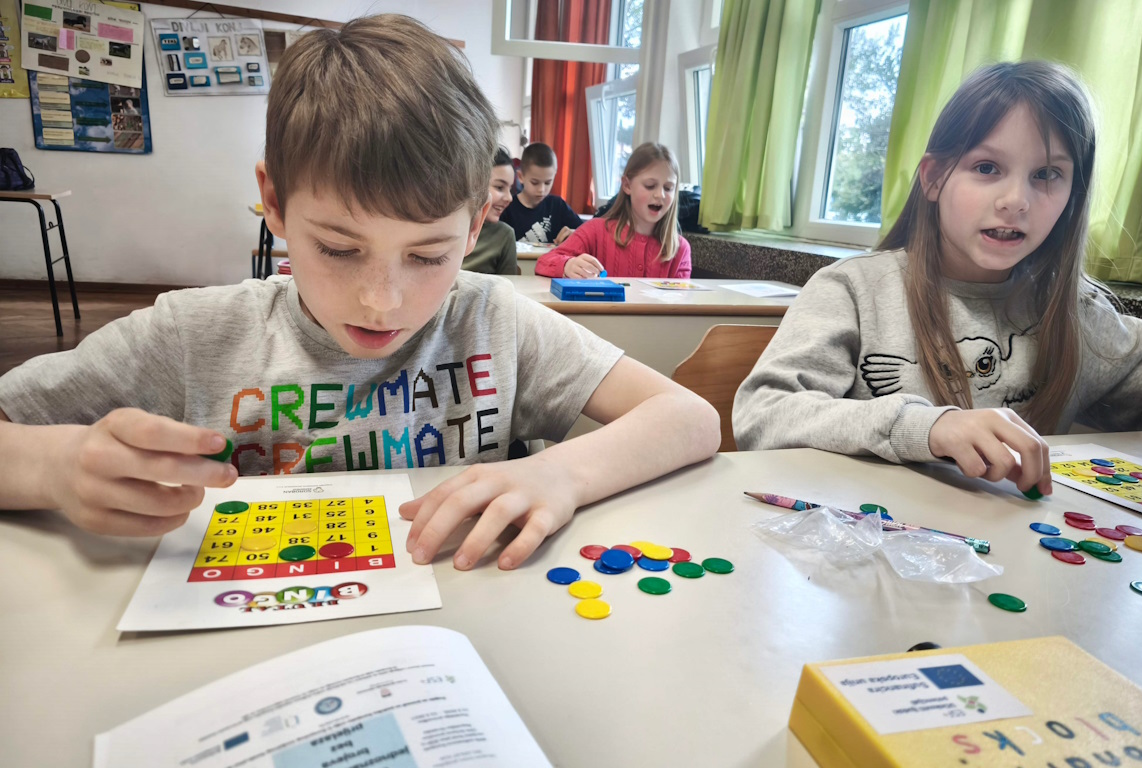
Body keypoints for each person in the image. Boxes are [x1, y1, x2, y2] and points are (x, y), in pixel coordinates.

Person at [0, 15, 720, 571]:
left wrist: (560, 473)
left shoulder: (493, 321)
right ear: (275, 202)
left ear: (475, 226)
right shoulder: (191, 335)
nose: (383, 300)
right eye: (339, 249)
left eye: (428, 255)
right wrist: (53, 466)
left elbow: (690, 419)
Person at [733, 61, 1142, 497]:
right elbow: (764, 413)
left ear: (1071, 197)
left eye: (1046, 174)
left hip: (1015, 546)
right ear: (934, 178)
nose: (1016, 200)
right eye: (986, 168)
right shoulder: (853, 290)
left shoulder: (1080, 314)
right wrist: (927, 427)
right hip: (868, 534)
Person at [535, 143, 691, 280]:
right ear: (627, 185)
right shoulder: (595, 230)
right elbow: (543, 263)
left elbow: (681, 300)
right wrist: (567, 265)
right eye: (650, 186)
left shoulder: (680, 249)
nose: (660, 195)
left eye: (668, 188)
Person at [499, 142, 582, 245]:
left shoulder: (558, 205)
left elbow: (587, 232)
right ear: (520, 177)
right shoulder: (507, 208)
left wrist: (575, 234)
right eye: (535, 183)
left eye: (547, 182)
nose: (541, 190)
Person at [461, 147, 519, 275]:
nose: (509, 198)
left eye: (510, 189)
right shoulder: (446, 226)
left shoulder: (504, 235)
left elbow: (508, 284)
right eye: (499, 187)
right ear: (473, 183)